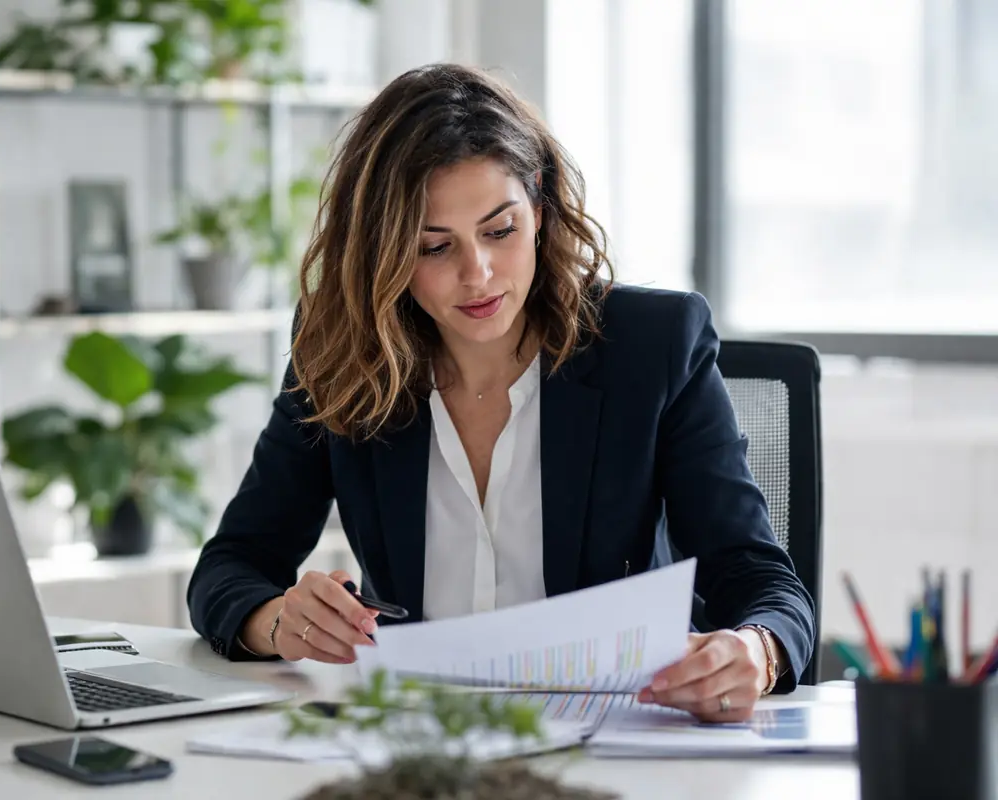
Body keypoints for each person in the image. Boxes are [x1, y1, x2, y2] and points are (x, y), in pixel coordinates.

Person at [187, 62, 815, 723]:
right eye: (433, 247)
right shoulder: (342, 350)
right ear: (384, 254)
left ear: (539, 211)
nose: (477, 274)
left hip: (613, 743)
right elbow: (230, 568)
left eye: (499, 230)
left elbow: (762, 582)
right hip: (420, 747)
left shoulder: (652, 348)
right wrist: (278, 619)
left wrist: (756, 650)